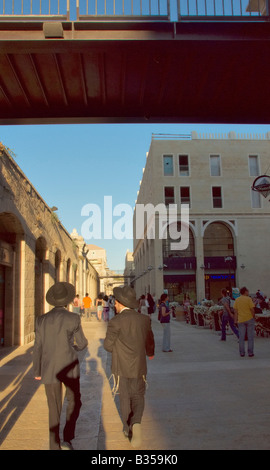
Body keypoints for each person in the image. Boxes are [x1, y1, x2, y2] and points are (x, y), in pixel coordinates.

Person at [33, 282, 88, 450]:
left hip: (49, 368)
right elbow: (83, 343)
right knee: (74, 401)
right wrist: (74, 348)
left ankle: (54, 445)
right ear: (67, 301)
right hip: (69, 366)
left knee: (53, 407)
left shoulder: (41, 319)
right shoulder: (73, 318)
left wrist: (37, 370)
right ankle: (68, 437)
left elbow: (38, 347)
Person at [104, 286, 155, 448]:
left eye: (115, 303)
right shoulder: (144, 319)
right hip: (139, 365)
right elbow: (149, 340)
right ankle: (137, 422)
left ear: (119, 303)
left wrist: (117, 347)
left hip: (121, 367)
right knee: (139, 395)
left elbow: (107, 346)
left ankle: (128, 428)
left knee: (124, 397)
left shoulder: (115, 322)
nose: (114, 306)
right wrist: (150, 353)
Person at [233, 286, 255, 357]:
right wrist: (253, 317)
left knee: (241, 337)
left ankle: (242, 353)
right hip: (249, 319)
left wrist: (235, 320)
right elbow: (252, 309)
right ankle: (250, 352)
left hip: (241, 320)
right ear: (245, 292)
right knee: (250, 337)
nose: (248, 292)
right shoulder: (249, 299)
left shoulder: (237, 300)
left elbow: (235, 311)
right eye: (247, 291)